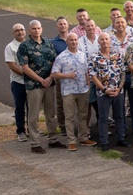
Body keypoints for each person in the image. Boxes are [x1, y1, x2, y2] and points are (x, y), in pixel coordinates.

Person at [18, 20, 61, 153]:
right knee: (34, 115)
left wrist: (50, 78)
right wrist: (40, 79)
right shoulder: (24, 46)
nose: (36, 31)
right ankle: (35, 143)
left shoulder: (48, 43)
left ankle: (53, 139)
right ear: (29, 30)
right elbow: (24, 67)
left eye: (38, 28)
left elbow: (55, 61)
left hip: (48, 83)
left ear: (41, 29)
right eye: (33, 29)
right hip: (34, 85)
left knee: (50, 113)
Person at [51, 32, 91, 151]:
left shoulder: (82, 55)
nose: (74, 42)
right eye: (71, 40)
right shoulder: (61, 57)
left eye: (75, 40)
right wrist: (67, 75)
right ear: (67, 42)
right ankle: (71, 141)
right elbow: (54, 73)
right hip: (68, 91)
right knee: (69, 117)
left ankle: (83, 137)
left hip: (82, 89)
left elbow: (86, 70)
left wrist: (88, 81)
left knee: (83, 115)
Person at [89, 31, 127, 150]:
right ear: (98, 42)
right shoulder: (94, 57)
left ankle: (121, 139)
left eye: (106, 39)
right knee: (103, 118)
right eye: (102, 39)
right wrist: (104, 89)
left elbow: (123, 73)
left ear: (110, 41)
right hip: (103, 93)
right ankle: (104, 142)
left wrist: (119, 88)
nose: (104, 41)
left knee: (119, 116)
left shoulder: (118, 56)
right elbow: (93, 76)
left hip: (118, 91)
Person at [5, 23, 29, 142]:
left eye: (22, 30)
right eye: (17, 31)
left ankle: (32, 128)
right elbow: (12, 65)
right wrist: (27, 74)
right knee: (20, 107)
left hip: (31, 82)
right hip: (18, 82)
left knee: (32, 107)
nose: (20, 32)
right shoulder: (10, 47)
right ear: (13, 33)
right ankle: (21, 131)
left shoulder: (30, 44)